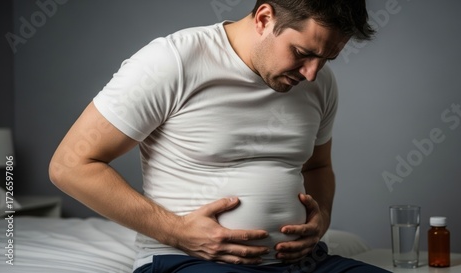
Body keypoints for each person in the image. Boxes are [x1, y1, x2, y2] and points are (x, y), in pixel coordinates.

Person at [49, 0, 390, 272]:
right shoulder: (174, 61)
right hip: (190, 261)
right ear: (264, 18)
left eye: (326, 59)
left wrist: (322, 220)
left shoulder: (319, 84)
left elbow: (317, 167)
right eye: (302, 53)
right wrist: (177, 232)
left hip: (305, 262)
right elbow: (70, 165)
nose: (312, 73)